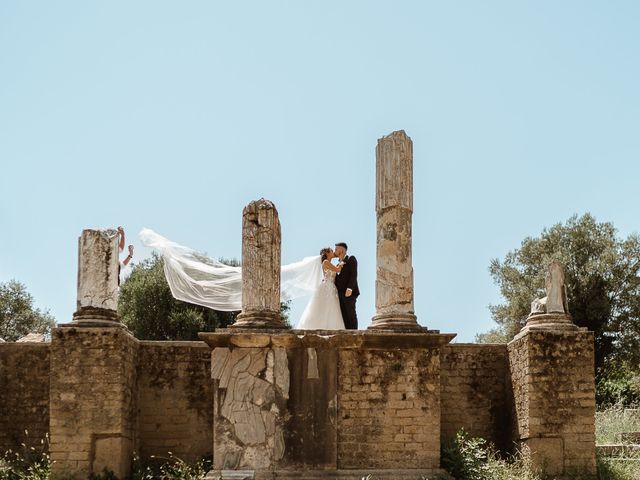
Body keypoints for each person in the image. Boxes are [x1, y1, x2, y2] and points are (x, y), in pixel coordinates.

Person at [295, 247, 345, 330]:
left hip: (331, 287)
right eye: (332, 251)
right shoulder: (325, 262)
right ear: (327, 253)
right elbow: (337, 269)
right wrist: (341, 260)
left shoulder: (329, 263)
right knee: (324, 307)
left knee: (331, 308)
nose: (333, 252)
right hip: (326, 287)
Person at [334, 242, 359, 329]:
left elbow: (354, 274)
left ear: (341, 250)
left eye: (336, 249)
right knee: (344, 316)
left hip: (349, 293)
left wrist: (350, 288)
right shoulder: (337, 265)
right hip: (340, 294)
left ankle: (355, 333)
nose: (335, 251)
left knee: (351, 313)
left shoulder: (351, 259)